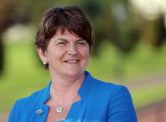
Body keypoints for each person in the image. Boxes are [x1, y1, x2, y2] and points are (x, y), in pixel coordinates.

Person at [8, 6, 137, 122]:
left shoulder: (114, 98)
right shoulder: (21, 110)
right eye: (62, 43)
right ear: (43, 53)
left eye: (80, 43)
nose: (73, 51)